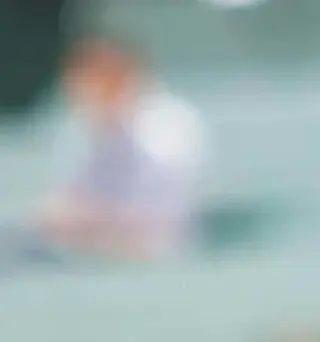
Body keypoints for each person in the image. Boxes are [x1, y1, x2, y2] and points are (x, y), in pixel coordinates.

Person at [32, 34, 205, 263]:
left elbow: (164, 217)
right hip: (97, 255)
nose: (85, 96)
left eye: (98, 82)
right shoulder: (85, 132)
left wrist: (91, 219)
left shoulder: (169, 127)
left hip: (164, 258)